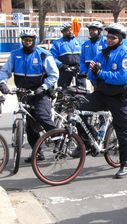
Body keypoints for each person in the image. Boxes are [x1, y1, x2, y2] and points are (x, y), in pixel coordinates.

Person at [81, 23, 127, 178]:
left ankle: (126, 164)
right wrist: (93, 72)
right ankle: (91, 140)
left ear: (120, 39)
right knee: (78, 110)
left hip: (119, 97)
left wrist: (101, 72)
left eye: (113, 37)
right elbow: (91, 74)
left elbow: (122, 78)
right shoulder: (102, 53)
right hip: (101, 93)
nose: (109, 40)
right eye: (108, 37)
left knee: (123, 130)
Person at [0, 29, 58, 163]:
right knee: (29, 126)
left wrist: (43, 87)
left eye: (30, 40)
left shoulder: (43, 55)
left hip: (40, 92)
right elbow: (5, 71)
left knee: (42, 116)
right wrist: (2, 83)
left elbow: (54, 75)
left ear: (34, 40)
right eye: (25, 40)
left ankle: (60, 140)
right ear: (22, 41)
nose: (27, 42)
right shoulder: (15, 55)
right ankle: (37, 152)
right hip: (23, 93)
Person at [50, 23, 84, 89]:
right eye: (67, 30)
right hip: (64, 70)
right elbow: (52, 57)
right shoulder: (57, 43)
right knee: (63, 91)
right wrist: (61, 65)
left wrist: (81, 65)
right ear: (62, 32)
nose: (70, 32)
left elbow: (84, 55)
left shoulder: (79, 42)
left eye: (71, 30)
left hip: (78, 70)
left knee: (82, 90)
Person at [80, 21, 107, 88]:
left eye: (94, 30)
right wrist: (84, 71)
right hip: (90, 74)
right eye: (90, 30)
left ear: (99, 31)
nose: (91, 32)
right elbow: (82, 59)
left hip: (102, 73)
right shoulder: (85, 44)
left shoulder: (105, 42)